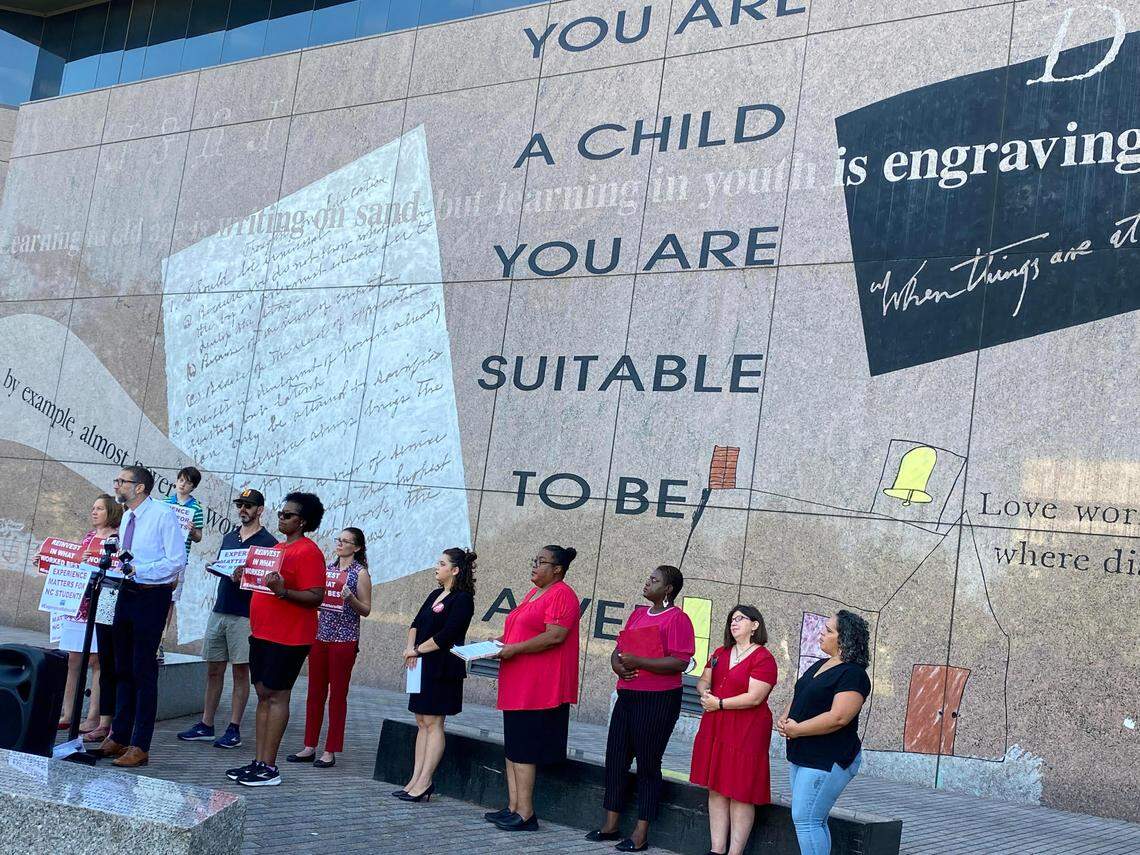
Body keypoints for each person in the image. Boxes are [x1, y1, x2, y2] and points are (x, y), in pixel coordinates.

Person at [588, 565, 695, 852]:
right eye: (649, 578)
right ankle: (610, 825)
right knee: (616, 758)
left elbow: (680, 662)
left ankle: (640, 833)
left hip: (658, 700)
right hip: (628, 696)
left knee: (648, 764)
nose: (647, 583)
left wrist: (639, 662)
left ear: (668, 589)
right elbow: (619, 648)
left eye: (654, 580)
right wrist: (618, 666)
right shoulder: (637, 614)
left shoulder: (678, 619)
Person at [225, 492, 325, 787]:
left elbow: (316, 596)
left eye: (288, 515)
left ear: (303, 521)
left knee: (277, 695)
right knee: (264, 695)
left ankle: (269, 767)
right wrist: (244, 576)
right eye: (280, 513)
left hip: (289, 637)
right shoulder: (277, 548)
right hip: (262, 633)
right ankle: (258, 761)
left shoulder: (309, 552)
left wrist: (283, 591)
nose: (281, 518)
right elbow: (261, 585)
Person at [89, 466, 187, 768]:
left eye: (122, 481)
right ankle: (118, 735)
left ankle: (140, 744)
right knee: (121, 666)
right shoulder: (129, 515)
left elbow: (176, 561)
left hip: (150, 596)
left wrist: (141, 571)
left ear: (140, 487)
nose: (117, 485)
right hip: (125, 592)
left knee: (143, 670)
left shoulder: (161, 515)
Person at [485, 545, 580, 832]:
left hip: (537, 686)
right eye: (534, 560)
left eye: (541, 561)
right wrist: (499, 642)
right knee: (513, 747)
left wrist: (514, 648)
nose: (535, 565)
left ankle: (526, 813)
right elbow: (521, 629)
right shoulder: (533, 593)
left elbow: (555, 636)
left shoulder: (562, 594)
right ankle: (513, 806)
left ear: (558, 569)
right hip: (517, 682)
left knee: (525, 748)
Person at [177, 488, 277, 749]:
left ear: (260, 510)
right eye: (240, 504)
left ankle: (233, 728)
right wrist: (216, 567)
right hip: (220, 608)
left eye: (248, 505)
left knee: (240, 671)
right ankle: (206, 724)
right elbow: (224, 565)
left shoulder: (269, 542)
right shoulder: (230, 537)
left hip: (245, 614)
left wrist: (247, 576)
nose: (243, 509)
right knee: (213, 668)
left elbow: (269, 583)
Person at [777, 610, 872, 855]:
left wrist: (797, 729)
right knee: (814, 820)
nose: (821, 632)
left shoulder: (853, 674)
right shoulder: (821, 664)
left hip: (828, 758)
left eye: (829, 630)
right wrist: (786, 718)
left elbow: (838, 717)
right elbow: (802, 693)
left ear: (845, 639)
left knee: (806, 819)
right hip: (803, 753)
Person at [689, 605, 778, 855]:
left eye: (740, 619)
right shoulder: (720, 652)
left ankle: (734, 852)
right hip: (717, 725)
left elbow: (755, 698)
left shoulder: (763, 657)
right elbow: (704, 679)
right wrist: (704, 691)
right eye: (731, 619)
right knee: (716, 787)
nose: (734, 623)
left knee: (740, 791)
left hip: (747, 728)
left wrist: (718, 703)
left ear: (755, 625)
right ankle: (716, 850)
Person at [393, 547, 477, 801]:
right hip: (421, 666)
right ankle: (414, 779)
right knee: (421, 722)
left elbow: (446, 636)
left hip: (442, 668)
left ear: (455, 570)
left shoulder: (462, 599)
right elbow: (416, 624)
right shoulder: (435, 594)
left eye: (441, 564)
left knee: (434, 723)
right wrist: (410, 649)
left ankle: (425, 781)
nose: (436, 567)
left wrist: (417, 650)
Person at [287, 527, 372, 768]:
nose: (340, 544)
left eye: (346, 541)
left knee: (337, 696)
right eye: (339, 540)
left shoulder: (360, 573)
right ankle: (309, 745)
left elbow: (366, 609)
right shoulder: (328, 570)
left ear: (356, 547)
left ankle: (330, 749)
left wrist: (350, 599)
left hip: (344, 639)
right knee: (314, 692)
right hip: (321, 635)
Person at [57, 494, 122, 740]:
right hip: (81, 604)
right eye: (92, 507)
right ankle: (68, 713)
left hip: (103, 601)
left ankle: (93, 716)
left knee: (97, 660)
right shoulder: (87, 537)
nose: (94, 512)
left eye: (99, 509)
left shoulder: (117, 538)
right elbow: (72, 563)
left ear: (111, 512)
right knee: (74, 659)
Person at [161, 467, 205, 660]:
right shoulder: (164, 503)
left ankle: (160, 641)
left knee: (170, 601)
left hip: (179, 560)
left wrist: (193, 529)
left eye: (187, 482)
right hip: (161, 556)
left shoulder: (196, 508)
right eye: (180, 480)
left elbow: (198, 537)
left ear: (193, 486)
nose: (182, 484)